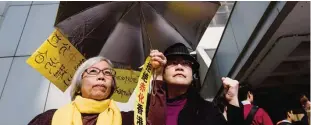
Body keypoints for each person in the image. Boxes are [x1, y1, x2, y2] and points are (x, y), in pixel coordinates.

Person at [122, 43, 244, 125]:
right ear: (163, 72)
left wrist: (233, 101)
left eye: (186, 63)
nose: (180, 67)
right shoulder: (144, 108)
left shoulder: (206, 110)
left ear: (193, 74)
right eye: (173, 63)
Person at [28, 56, 122, 125]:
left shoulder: (128, 119)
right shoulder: (48, 119)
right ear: (79, 83)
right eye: (93, 71)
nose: (101, 77)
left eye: (107, 72)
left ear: (112, 85)